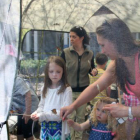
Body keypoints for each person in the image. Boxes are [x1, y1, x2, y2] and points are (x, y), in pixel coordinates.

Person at [60, 18, 140, 140]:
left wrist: (128, 111)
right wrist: (73, 106)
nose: (102, 51)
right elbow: (95, 87)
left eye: (103, 45)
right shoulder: (117, 63)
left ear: (117, 41)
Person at [61, 26, 96, 140]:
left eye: (74, 37)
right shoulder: (65, 53)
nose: (71, 39)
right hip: (69, 90)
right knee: (70, 117)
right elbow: (59, 69)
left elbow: (92, 69)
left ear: (81, 38)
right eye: (70, 36)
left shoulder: (89, 54)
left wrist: (93, 72)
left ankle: (79, 138)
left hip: (83, 91)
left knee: (81, 118)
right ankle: (70, 138)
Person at [31, 56, 72, 140]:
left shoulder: (66, 89)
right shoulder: (44, 88)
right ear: (47, 72)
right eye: (51, 71)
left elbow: (64, 113)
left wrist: (42, 115)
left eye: (58, 71)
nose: (54, 74)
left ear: (63, 72)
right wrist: (36, 113)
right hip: (45, 128)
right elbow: (41, 106)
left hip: (60, 129)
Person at [10, 75, 39, 140]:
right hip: (20, 109)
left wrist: (27, 112)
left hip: (30, 106)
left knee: (27, 132)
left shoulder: (17, 80)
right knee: (20, 131)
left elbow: (27, 94)